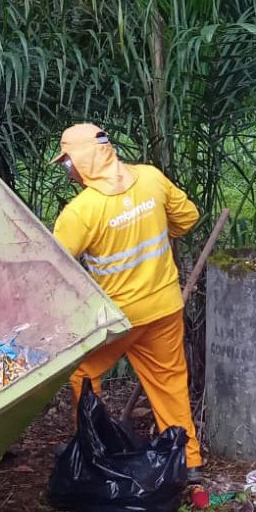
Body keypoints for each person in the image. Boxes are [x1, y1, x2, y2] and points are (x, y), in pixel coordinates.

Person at [50, 123, 204, 482]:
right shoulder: (151, 178)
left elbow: (53, 264)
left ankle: (90, 449)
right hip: (165, 306)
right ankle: (189, 461)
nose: (67, 170)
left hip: (118, 319)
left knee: (83, 372)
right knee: (169, 383)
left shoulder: (82, 210)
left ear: (86, 159)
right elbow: (188, 217)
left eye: (68, 162)